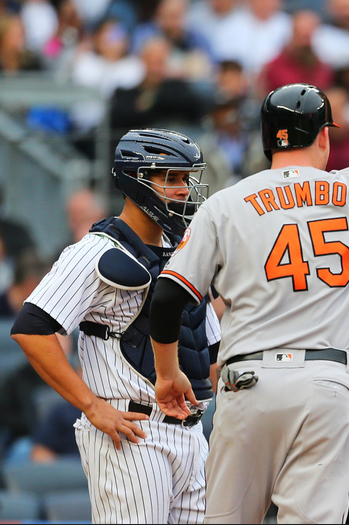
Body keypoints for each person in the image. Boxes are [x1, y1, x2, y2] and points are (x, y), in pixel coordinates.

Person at [148, 13, 349, 524]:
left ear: (269, 142)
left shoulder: (227, 202)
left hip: (247, 382)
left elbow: (168, 299)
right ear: (325, 137)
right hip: (325, 384)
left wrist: (167, 373)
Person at [10, 128, 221, 523]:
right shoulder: (96, 251)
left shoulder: (187, 251)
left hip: (191, 432)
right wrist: (91, 407)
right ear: (135, 180)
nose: (182, 189)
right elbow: (31, 328)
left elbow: (208, 354)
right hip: (130, 429)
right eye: (170, 177)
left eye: (184, 179)